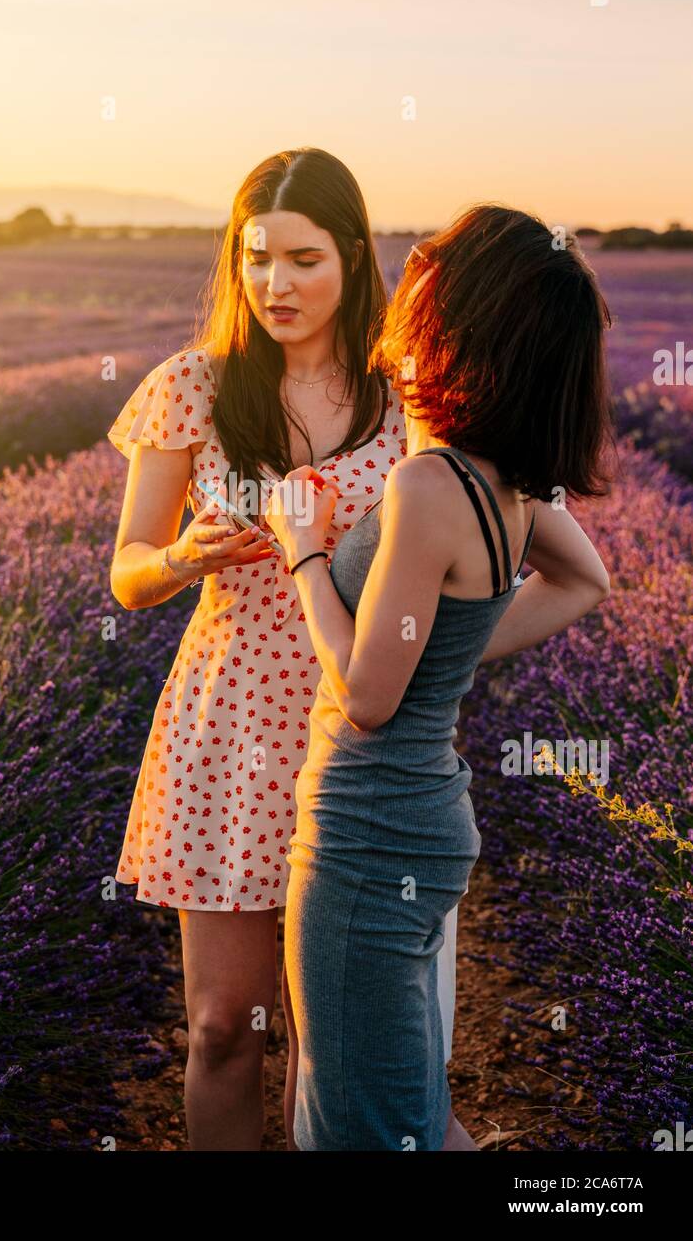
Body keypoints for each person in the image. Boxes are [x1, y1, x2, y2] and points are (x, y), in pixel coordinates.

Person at [107, 147, 464, 1150]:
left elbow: (478, 548)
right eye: (255, 258)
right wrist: (180, 555)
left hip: (357, 731)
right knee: (223, 1028)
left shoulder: (406, 401)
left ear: (353, 256)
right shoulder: (190, 386)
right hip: (225, 728)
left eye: (302, 259)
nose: (275, 285)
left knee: (329, 1042)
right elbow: (125, 572)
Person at [264, 203, 615, 1150]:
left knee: (360, 1125)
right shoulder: (501, 483)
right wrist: (432, 652)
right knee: (406, 1109)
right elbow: (588, 579)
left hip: (367, 835)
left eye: (432, 264)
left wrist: (301, 552)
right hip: (420, 824)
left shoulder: (428, 488)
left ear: (460, 317)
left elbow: (367, 698)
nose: (408, 269)